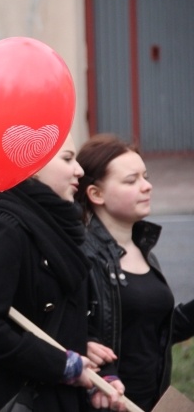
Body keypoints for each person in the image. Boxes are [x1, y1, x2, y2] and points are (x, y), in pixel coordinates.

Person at [0, 134, 125, 412]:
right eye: (67, 159)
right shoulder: (6, 228)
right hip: (17, 399)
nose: (79, 170)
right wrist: (63, 365)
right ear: (32, 166)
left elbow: (69, 312)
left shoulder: (59, 225)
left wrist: (94, 358)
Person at [75, 133, 194, 411]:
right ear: (96, 194)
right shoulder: (83, 255)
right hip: (108, 402)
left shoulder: (143, 250)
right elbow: (73, 333)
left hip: (153, 402)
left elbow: (154, 330)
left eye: (146, 176)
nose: (147, 186)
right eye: (131, 180)